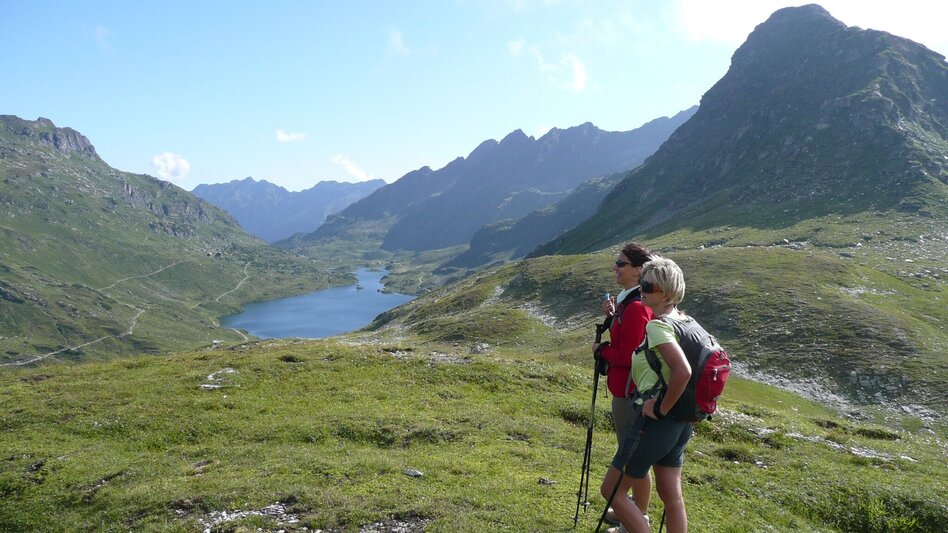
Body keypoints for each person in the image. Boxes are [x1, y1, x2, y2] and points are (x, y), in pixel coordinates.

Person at [605, 255, 695, 533]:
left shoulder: (658, 325)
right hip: (681, 422)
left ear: (667, 292)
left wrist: (660, 409)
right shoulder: (687, 321)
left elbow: (683, 371)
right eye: (643, 284)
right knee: (672, 497)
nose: (642, 290)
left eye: (650, 287)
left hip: (657, 422)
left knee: (613, 492)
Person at [591, 242, 654, 527]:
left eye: (621, 264)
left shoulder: (638, 307)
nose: (615, 268)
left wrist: (600, 351)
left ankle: (636, 519)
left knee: (635, 460)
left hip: (631, 393)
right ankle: (633, 512)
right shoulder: (629, 303)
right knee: (633, 457)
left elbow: (630, 355)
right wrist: (613, 315)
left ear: (638, 271)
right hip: (626, 391)